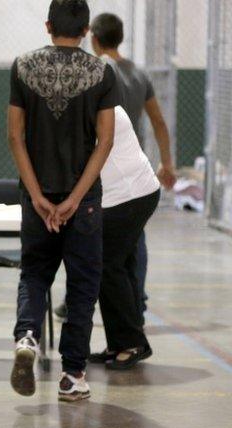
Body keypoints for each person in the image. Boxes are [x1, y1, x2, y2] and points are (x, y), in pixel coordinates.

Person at [7, 0, 118, 402]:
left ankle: (28, 337)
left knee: (35, 273)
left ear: (48, 25)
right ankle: (72, 375)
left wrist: (37, 195)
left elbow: (16, 137)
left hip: (37, 197)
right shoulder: (102, 72)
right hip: (83, 200)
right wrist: (74, 198)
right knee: (83, 285)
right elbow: (105, 141)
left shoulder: (22, 66)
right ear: (87, 30)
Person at [90, 12, 177, 312]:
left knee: (103, 241)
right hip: (135, 167)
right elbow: (159, 121)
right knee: (134, 238)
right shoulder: (140, 74)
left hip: (107, 169)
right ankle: (136, 295)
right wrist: (167, 163)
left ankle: (89, 294)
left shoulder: (97, 71)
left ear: (94, 39)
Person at [90, 106, 160, 369]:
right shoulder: (101, 104)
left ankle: (131, 343)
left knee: (108, 266)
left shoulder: (101, 110)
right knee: (121, 266)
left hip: (130, 196)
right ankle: (124, 342)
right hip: (131, 194)